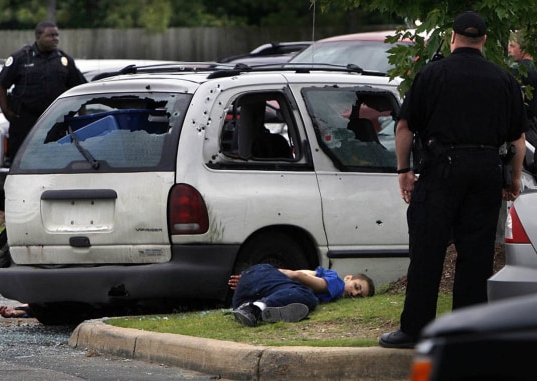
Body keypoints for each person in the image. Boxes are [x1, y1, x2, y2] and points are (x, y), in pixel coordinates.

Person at [379, 11, 527, 349]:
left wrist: (404, 171)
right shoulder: (503, 80)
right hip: (485, 170)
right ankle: (468, 333)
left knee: (427, 250)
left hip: (441, 169)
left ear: (453, 37)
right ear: (485, 40)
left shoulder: (432, 74)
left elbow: (404, 127)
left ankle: (415, 330)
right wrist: (513, 180)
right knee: (476, 256)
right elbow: (517, 140)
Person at [0, 21, 87, 162]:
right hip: (25, 122)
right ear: (38, 36)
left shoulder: (63, 59)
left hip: (55, 122)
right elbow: (1, 84)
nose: (55, 38)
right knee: (21, 161)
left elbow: (80, 88)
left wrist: (81, 120)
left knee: (55, 162)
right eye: (50, 35)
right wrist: (6, 112)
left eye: (56, 35)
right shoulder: (20, 58)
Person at [228, 263, 375, 327]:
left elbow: (298, 273)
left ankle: (249, 310)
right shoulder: (338, 284)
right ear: (348, 278)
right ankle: (255, 309)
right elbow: (297, 275)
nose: (354, 293)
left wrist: (254, 277)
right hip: (263, 276)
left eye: (359, 295)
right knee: (308, 297)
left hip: (248, 289)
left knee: (300, 294)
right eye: (357, 287)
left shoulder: (321, 273)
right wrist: (264, 276)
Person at [508, 31, 537, 147]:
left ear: (524, 48)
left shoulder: (518, 72)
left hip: (523, 131)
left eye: (512, 46)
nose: (508, 49)